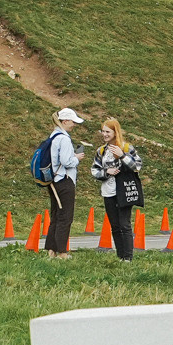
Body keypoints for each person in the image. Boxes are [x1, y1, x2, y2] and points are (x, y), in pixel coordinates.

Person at [90, 117, 144, 261]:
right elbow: (94, 170)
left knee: (124, 224)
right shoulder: (101, 151)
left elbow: (137, 166)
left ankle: (128, 258)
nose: (105, 134)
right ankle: (120, 256)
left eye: (108, 131)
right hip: (108, 191)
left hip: (124, 191)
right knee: (114, 225)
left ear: (115, 132)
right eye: (103, 131)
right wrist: (106, 173)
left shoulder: (126, 148)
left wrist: (122, 156)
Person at [40, 107, 85, 256]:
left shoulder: (53, 136)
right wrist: (76, 159)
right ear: (65, 121)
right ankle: (61, 252)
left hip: (53, 181)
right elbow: (67, 162)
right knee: (65, 217)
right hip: (64, 180)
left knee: (56, 215)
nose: (74, 125)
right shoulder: (64, 139)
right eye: (73, 122)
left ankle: (51, 249)